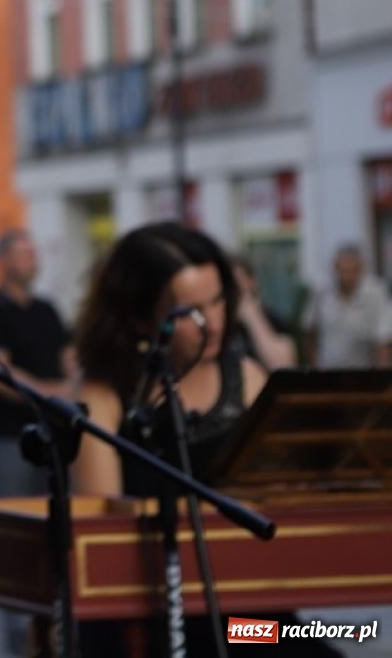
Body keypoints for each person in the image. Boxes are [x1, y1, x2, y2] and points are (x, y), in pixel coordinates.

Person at [70, 223, 338, 658]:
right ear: (141, 319)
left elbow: (286, 490)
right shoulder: (104, 395)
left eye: (218, 302)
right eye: (190, 312)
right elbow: (102, 530)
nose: (214, 323)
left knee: (341, 640)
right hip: (147, 618)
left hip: (248, 617)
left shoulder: (246, 377)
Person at [0, 228, 75, 655]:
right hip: (9, 439)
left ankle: (56, 630)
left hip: (55, 439)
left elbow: (71, 361)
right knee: (17, 534)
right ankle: (20, 638)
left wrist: (69, 389)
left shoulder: (48, 309)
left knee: (56, 533)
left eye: (34, 252)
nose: (32, 260)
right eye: (22, 253)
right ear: (3, 260)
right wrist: (50, 393)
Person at [301, 243, 392, 370]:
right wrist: (314, 363)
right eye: (341, 271)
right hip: (327, 373)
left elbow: (383, 341)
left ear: (361, 269)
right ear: (334, 268)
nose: (346, 277)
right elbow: (309, 329)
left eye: (351, 271)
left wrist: (382, 377)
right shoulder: (321, 290)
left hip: (364, 374)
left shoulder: (376, 293)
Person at [225, 254, 298, 372]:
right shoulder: (219, 321)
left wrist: (252, 317)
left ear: (252, 281)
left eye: (236, 282)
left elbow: (283, 366)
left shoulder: (273, 318)